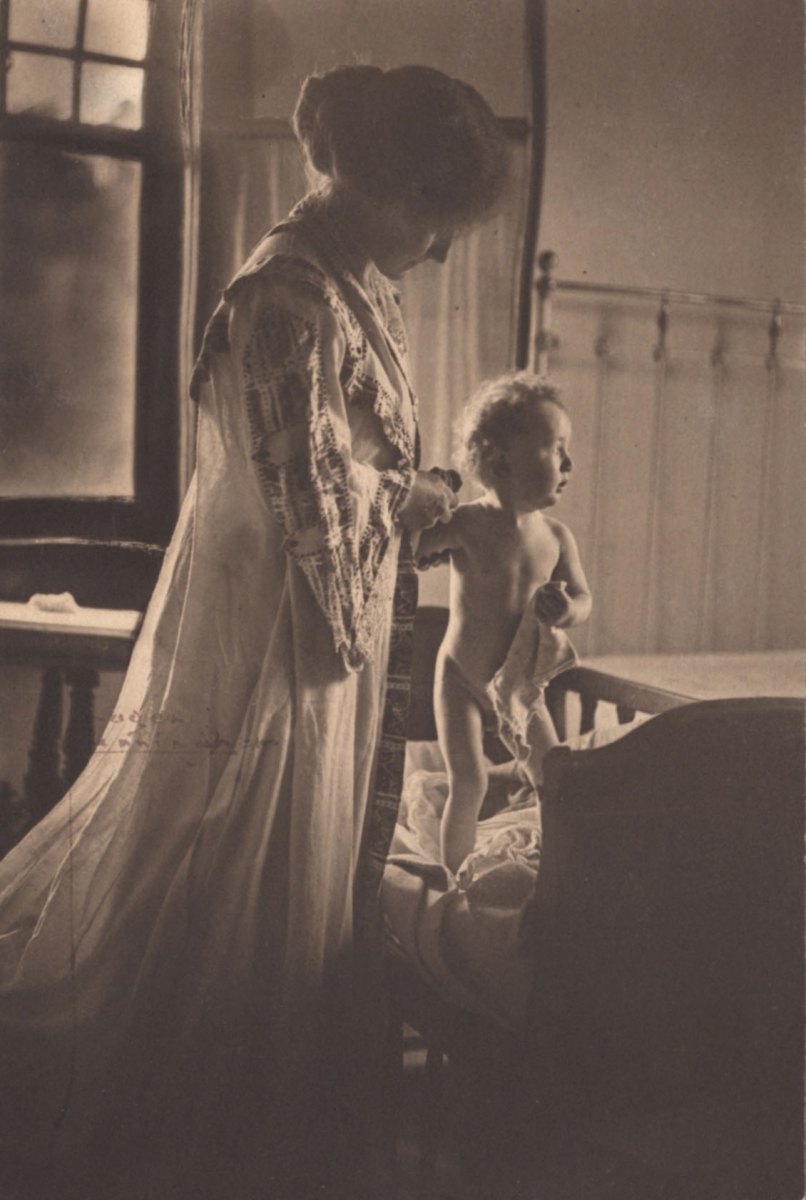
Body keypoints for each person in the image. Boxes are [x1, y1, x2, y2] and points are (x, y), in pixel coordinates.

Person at [0, 65, 509, 1200]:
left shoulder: (354, 279)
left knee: (286, 876)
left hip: (320, 628)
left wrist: (413, 500)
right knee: (224, 859)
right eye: (430, 214)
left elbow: (352, 471)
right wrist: (421, 507)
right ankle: (193, 1129)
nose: (434, 248)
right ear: (380, 183)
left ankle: (249, 1109)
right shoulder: (286, 293)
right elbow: (308, 507)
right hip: (274, 630)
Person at [416, 374, 592, 874]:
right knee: (467, 780)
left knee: (552, 779)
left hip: (519, 686)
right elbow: (412, 550)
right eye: (555, 449)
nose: (569, 463)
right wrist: (424, 522)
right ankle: (456, 880)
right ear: (500, 461)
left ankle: (561, 872)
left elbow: (584, 599)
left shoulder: (556, 537)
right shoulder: (467, 523)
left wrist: (569, 611)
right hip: (459, 678)